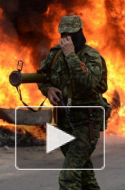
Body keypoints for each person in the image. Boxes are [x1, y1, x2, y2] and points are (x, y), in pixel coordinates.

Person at [38, 15, 108, 189]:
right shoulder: (55, 55)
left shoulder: (91, 56)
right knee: (84, 175)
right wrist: (48, 89)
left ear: (80, 33)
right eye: (64, 34)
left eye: (72, 34)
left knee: (69, 177)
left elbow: (89, 83)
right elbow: (42, 76)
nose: (67, 39)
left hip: (87, 121)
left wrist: (71, 56)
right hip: (65, 122)